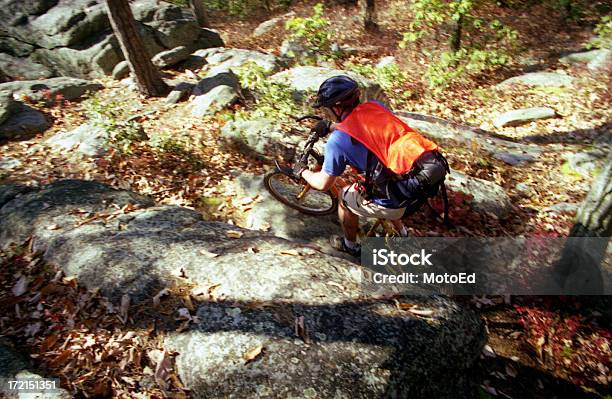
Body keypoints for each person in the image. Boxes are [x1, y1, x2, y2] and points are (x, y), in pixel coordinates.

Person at [293, 75, 446, 257]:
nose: (327, 112)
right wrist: (333, 126)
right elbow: (364, 127)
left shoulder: (337, 143)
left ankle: (350, 245)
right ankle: (403, 234)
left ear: (336, 107)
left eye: (327, 108)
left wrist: (302, 171)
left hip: (399, 200)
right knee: (384, 181)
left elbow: (322, 184)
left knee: (344, 198)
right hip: (420, 185)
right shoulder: (375, 107)